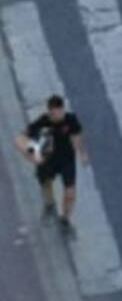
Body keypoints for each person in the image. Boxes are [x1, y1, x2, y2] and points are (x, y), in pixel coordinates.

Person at [14, 95, 87, 236]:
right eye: (53, 113)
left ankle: (65, 221)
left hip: (66, 160)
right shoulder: (43, 123)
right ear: (49, 111)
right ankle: (49, 205)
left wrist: (82, 152)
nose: (57, 115)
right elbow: (21, 138)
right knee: (46, 184)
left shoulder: (70, 120)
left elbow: (77, 135)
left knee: (70, 194)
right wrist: (30, 155)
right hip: (47, 161)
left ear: (62, 109)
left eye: (59, 112)